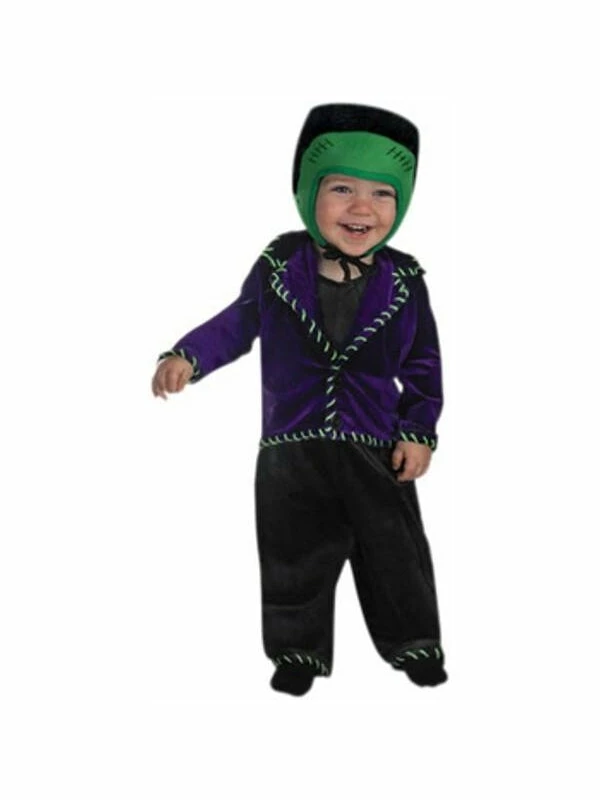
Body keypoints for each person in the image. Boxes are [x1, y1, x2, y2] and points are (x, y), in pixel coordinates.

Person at [151, 103, 447, 696]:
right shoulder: (279, 264)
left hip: (374, 442)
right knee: (293, 553)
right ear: (308, 193)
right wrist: (188, 355)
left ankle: (413, 641)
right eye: (341, 189)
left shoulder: (405, 280)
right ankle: (297, 651)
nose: (362, 208)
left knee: (393, 550)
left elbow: (424, 363)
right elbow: (239, 322)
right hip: (292, 443)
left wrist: (418, 430)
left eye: (382, 193)